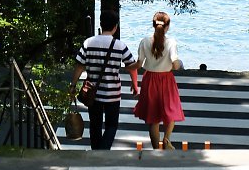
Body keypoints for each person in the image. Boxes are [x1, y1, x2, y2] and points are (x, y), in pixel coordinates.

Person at [71, 9, 138, 150]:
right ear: (115, 27)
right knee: (111, 126)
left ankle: (97, 151)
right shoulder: (120, 46)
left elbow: (79, 66)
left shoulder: (89, 43)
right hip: (112, 94)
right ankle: (103, 151)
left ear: (100, 24)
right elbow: (131, 66)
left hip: (92, 93)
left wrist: (73, 85)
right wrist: (135, 84)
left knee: (95, 126)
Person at [133, 10, 185, 149]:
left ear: (153, 25)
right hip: (166, 80)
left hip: (150, 79)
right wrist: (179, 64)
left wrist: (127, 68)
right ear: (167, 26)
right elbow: (174, 64)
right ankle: (167, 140)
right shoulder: (171, 42)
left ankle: (156, 149)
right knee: (171, 110)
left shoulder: (144, 41)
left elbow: (139, 64)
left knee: (153, 118)